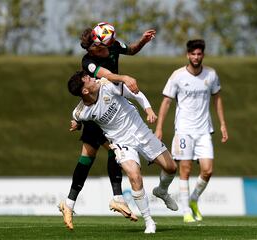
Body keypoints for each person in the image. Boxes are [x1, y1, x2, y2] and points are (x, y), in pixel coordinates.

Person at [59, 25, 156, 230]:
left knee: (100, 154)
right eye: (99, 45)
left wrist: (142, 42)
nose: (104, 48)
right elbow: (107, 76)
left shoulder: (113, 45)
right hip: (98, 110)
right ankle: (112, 198)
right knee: (95, 155)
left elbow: (130, 50)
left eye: (106, 44)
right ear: (93, 46)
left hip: (111, 103)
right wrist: (125, 78)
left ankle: (71, 204)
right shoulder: (88, 62)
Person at [67, 70, 178, 234]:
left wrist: (148, 110)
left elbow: (136, 93)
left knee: (171, 168)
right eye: (88, 79)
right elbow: (77, 118)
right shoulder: (81, 111)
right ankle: (149, 222)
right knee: (134, 175)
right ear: (84, 90)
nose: (93, 78)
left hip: (141, 132)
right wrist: (77, 124)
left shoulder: (106, 85)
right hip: (121, 143)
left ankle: (161, 190)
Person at [155, 39, 228, 223]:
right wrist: (159, 128)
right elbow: (166, 102)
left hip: (204, 130)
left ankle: (194, 199)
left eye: (199, 54)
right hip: (184, 130)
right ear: (187, 55)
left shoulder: (211, 75)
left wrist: (223, 124)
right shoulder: (177, 76)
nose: (196, 57)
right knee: (185, 169)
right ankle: (186, 210)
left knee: (207, 170)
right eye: (193, 54)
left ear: (203, 55)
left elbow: (217, 99)